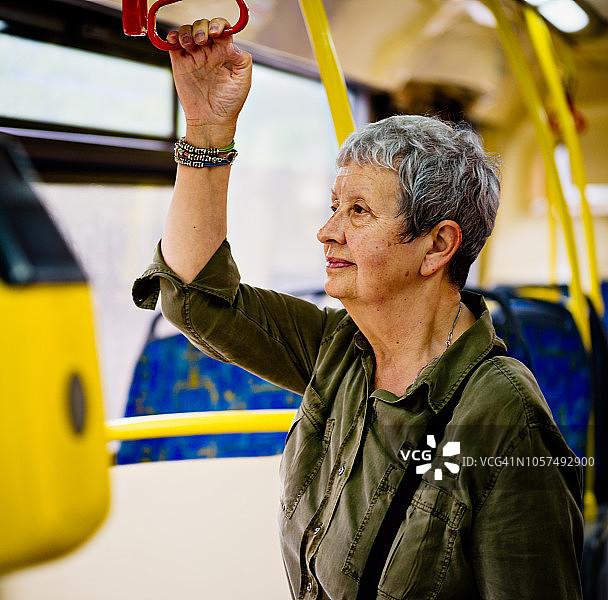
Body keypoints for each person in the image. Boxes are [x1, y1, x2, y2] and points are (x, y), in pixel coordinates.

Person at [132, 18, 584, 600]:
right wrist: (208, 126)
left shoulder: (504, 419)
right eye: (333, 206)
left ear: (437, 246)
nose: (326, 231)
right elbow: (196, 296)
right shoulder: (340, 349)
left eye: (359, 212)